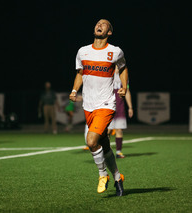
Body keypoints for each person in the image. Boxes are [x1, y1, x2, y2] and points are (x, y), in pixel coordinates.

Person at [69, 19, 129, 196]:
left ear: (109, 32)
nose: (99, 25)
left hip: (106, 104)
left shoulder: (115, 51)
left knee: (91, 141)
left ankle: (103, 175)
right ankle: (118, 178)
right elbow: (80, 73)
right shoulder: (83, 51)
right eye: (98, 23)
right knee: (105, 145)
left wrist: (123, 86)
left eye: (104, 24)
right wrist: (74, 90)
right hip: (88, 105)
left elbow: (123, 68)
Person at [108, 66, 133, 158]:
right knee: (108, 131)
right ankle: (107, 152)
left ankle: (118, 152)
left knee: (119, 129)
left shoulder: (124, 76)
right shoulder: (108, 75)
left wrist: (130, 107)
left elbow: (127, 92)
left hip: (120, 107)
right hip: (109, 106)